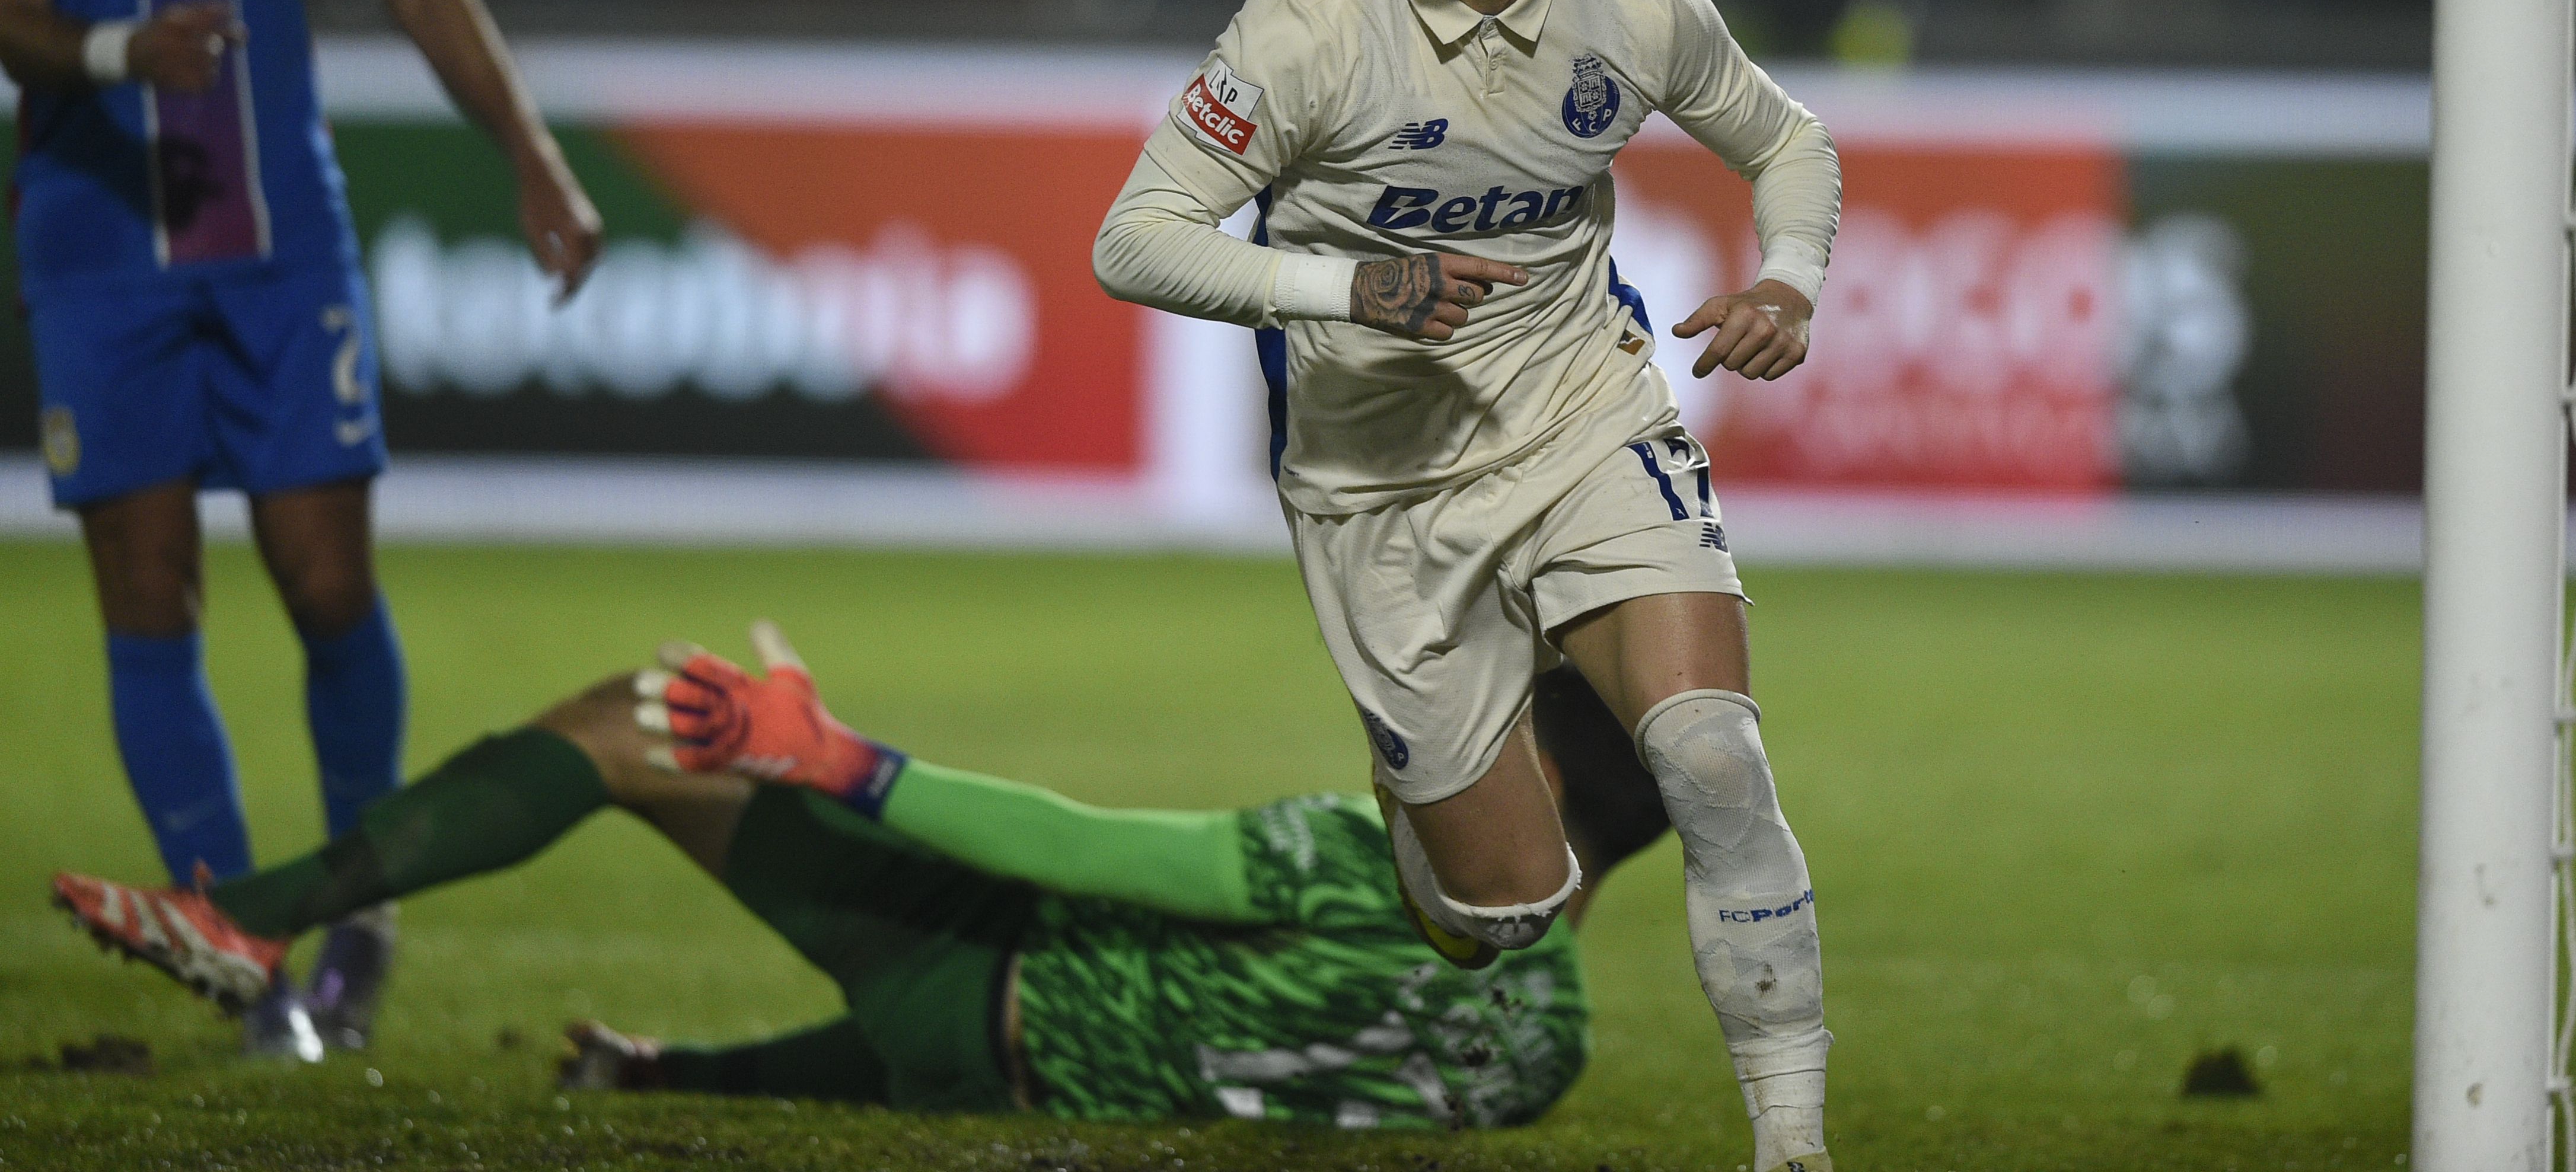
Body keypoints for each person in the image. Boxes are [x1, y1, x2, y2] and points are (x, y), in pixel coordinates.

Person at [1090, 0, 1841, 1171]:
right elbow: (1134, 240)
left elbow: (1788, 139)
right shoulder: (1308, 20)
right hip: (1377, 481)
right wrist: (1349, 281)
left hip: (1577, 409)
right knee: (1495, 916)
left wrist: (1792, 280)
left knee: (1709, 754)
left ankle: (1793, 1142)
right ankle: (1427, 795)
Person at [0, 0, 603, 1058]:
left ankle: (358, 899)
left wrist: (532, 157)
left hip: (271, 232)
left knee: (328, 579)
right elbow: (10, 11)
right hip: (97, 238)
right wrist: (124, 57)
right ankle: (236, 951)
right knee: (149, 589)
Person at [56, 625, 1668, 1129]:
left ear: (1528, 774)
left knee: (646, 717)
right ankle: (247, 919)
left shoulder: (1371, 863)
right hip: (986, 1067)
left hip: (965, 988)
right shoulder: (1548, 1055)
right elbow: (1125, 1041)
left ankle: (246, 916)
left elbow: (1091, 857)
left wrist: (842, 763)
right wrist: (695, 1075)